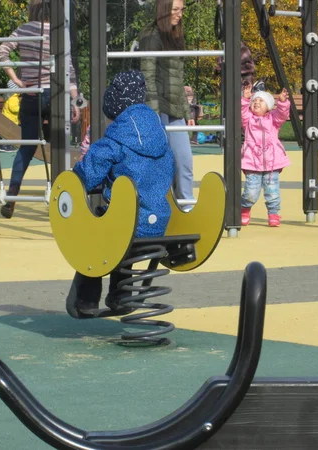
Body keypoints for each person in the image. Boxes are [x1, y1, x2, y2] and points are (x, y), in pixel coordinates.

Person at [65, 70, 175, 318]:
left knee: (95, 236)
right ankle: (121, 294)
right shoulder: (160, 139)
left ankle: (85, 299)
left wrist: (77, 178)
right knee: (122, 232)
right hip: (159, 223)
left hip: (127, 227)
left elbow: (88, 173)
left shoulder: (114, 141)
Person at [0, 0, 80, 219]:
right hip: (54, 96)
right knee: (58, 146)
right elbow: (68, 69)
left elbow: (1, 50)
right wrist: (76, 100)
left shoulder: (24, 30)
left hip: (31, 95)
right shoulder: (60, 32)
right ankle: (59, 197)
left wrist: (16, 79)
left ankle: (12, 195)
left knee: (27, 147)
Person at [138, 0, 195, 205]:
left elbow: (177, 78)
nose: (180, 14)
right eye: (175, 10)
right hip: (158, 107)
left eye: (182, 10)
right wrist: (152, 114)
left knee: (184, 160)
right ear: (164, 10)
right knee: (160, 162)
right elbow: (148, 75)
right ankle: (158, 204)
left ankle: (186, 204)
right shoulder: (151, 35)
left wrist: (187, 112)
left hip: (174, 107)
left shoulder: (175, 35)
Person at [240, 83, 290, 228]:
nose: (256, 103)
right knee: (251, 190)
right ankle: (245, 208)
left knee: (272, 189)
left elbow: (282, 115)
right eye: (255, 101)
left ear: (268, 106)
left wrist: (282, 102)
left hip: (271, 161)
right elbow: (242, 111)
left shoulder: (273, 120)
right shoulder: (248, 120)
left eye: (261, 101)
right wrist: (245, 99)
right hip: (252, 160)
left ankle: (273, 213)